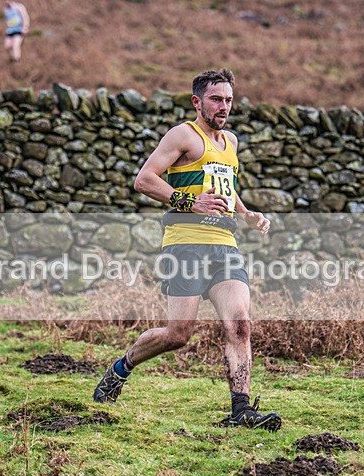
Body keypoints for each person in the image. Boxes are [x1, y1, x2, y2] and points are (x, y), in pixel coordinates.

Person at [93, 68, 282, 432]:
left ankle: (241, 409)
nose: (224, 106)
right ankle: (121, 368)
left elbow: (225, 186)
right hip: (186, 245)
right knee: (178, 334)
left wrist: (246, 214)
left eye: (228, 100)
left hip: (225, 246)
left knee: (240, 324)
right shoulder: (183, 135)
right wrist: (189, 202)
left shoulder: (231, 142)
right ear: (197, 102)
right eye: (216, 99)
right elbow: (144, 180)